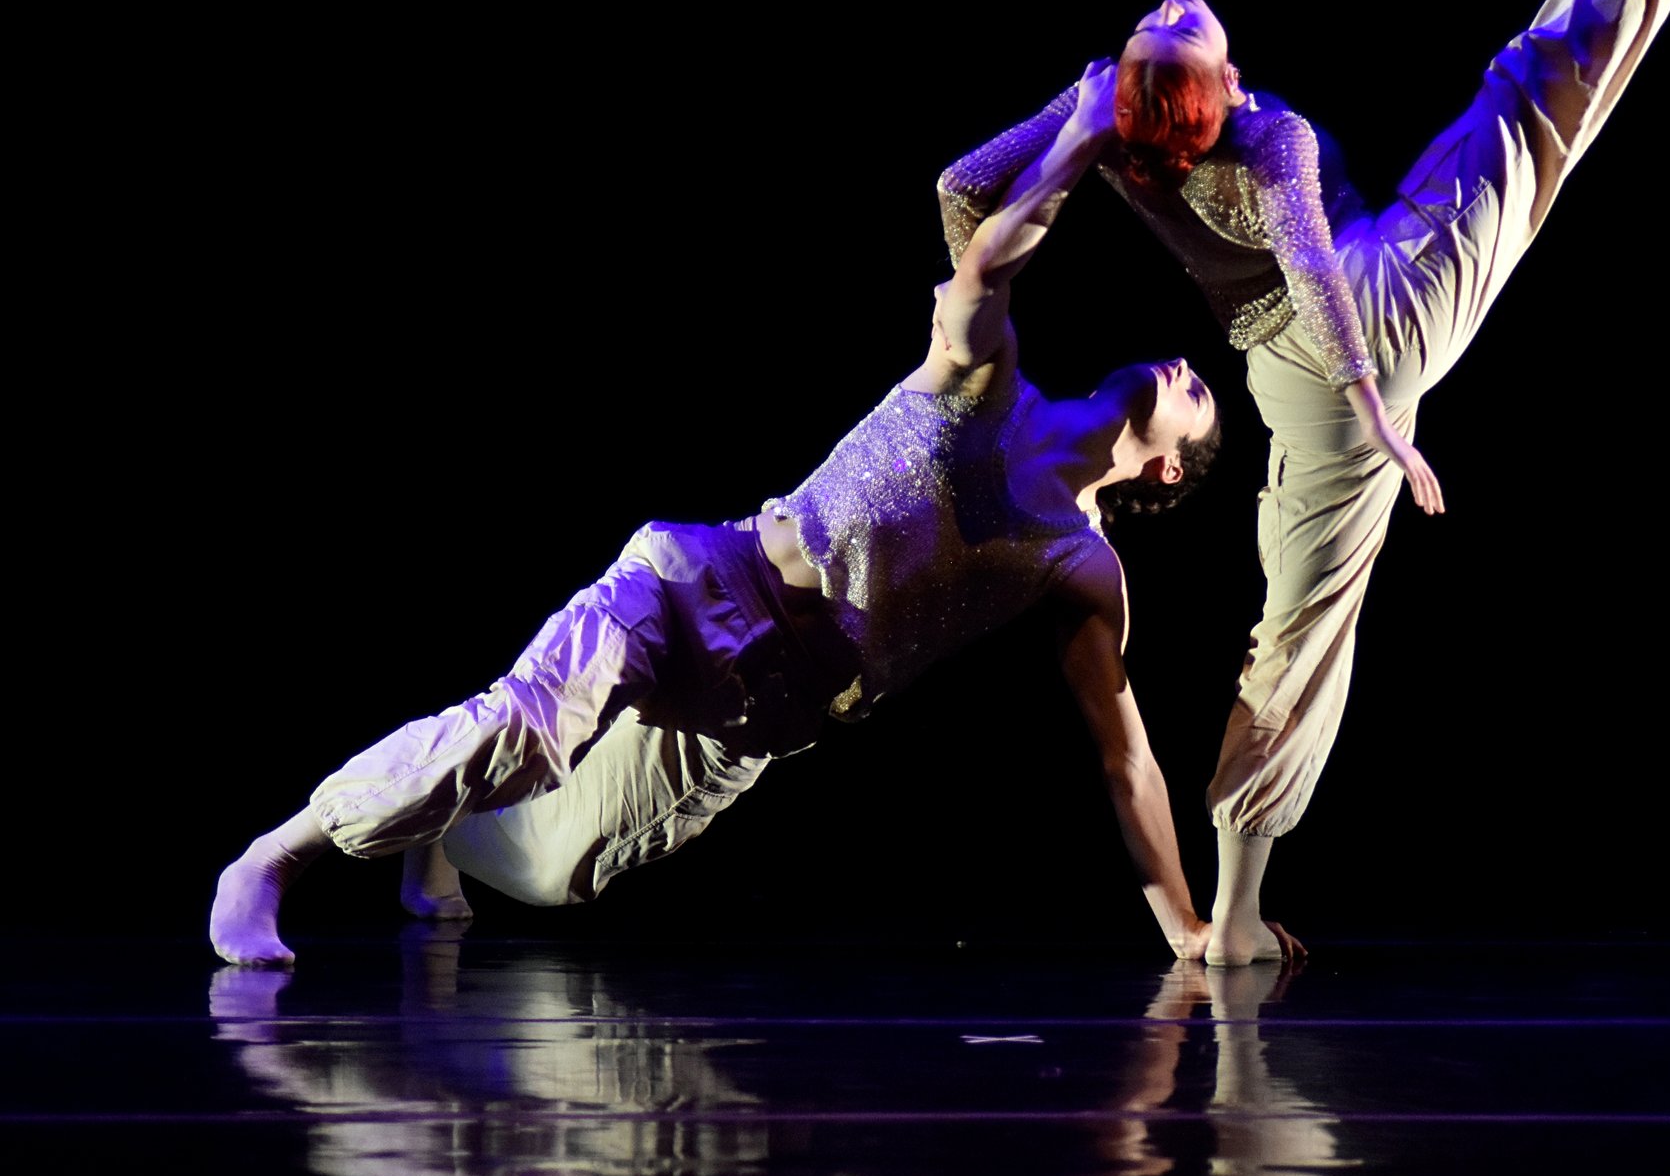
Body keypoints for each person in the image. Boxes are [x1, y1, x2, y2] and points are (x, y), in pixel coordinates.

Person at [938, 0, 1670, 963]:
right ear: (1225, 85)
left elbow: (959, 193)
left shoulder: (1107, 114)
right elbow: (1309, 264)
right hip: (1367, 315)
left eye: (1162, 20)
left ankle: (1231, 919)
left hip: (1299, 382)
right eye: (1175, 27)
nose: (1176, 4)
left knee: (1296, 634)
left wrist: (1064, 160)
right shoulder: (1266, 131)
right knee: (1526, 106)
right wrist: (1380, 415)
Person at [210, 60, 1303, 968]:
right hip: (699, 589)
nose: (1179, 364)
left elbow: (1128, 761)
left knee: (552, 871)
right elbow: (979, 262)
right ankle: (273, 858)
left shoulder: (1082, 567)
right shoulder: (989, 385)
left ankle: (440, 828)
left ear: (1167, 472)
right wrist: (1078, 129)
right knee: (524, 734)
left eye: (1198, 394)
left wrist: (1188, 928)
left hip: (766, 716)